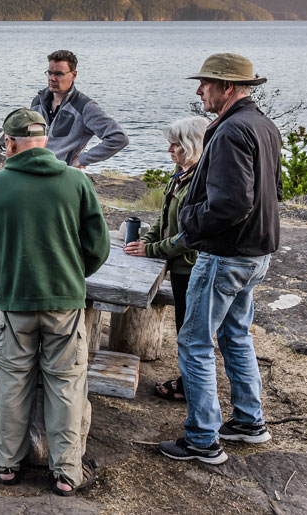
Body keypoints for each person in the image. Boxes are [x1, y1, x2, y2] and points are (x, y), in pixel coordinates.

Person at [0, 107, 109, 495]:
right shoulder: (76, 182)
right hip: (64, 301)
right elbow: (98, 246)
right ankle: (66, 471)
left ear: (11, 143)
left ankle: (7, 463)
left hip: (15, 302)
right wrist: (72, 274)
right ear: (44, 141)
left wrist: (5, 277)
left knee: (13, 382)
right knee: (65, 383)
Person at [158, 53, 281, 465]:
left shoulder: (230, 131)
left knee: (194, 343)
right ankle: (249, 422)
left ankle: (202, 440)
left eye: (206, 84)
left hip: (225, 255)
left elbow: (230, 204)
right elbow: (274, 190)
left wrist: (189, 222)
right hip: (256, 253)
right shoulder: (264, 125)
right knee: (236, 336)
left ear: (228, 87)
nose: (199, 91)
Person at [123, 116, 209, 402]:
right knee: (186, 326)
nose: (170, 150)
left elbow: (189, 236)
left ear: (193, 145)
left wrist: (151, 250)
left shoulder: (202, 181)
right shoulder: (181, 171)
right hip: (179, 264)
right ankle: (188, 382)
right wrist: (148, 240)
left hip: (191, 266)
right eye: (170, 144)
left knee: (190, 330)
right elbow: (165, 217)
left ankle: (190, 387)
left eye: (176, 145)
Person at [30, 49, 129, 168]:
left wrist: (82, 160)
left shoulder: (85, 107)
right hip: (33, 170)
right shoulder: (38, 101)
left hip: (61, 175)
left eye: (59, 74)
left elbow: (119, 138)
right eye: (50, 73)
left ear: (74, 75)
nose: (52, 78)